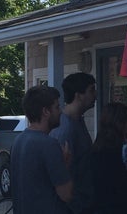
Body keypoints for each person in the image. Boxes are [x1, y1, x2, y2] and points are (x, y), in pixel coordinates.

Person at [11, 85, 73, 214]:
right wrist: (65, 165)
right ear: (45, 111)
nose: (60, 111)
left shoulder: (19, 140)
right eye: (56, 107)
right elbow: (66, 194)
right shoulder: (49, 144)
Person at [50, 72, 97, 174]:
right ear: (78, 96)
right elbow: (60, 172)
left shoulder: (78, 120)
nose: (95, 94)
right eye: (91, 90)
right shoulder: (65, 129)